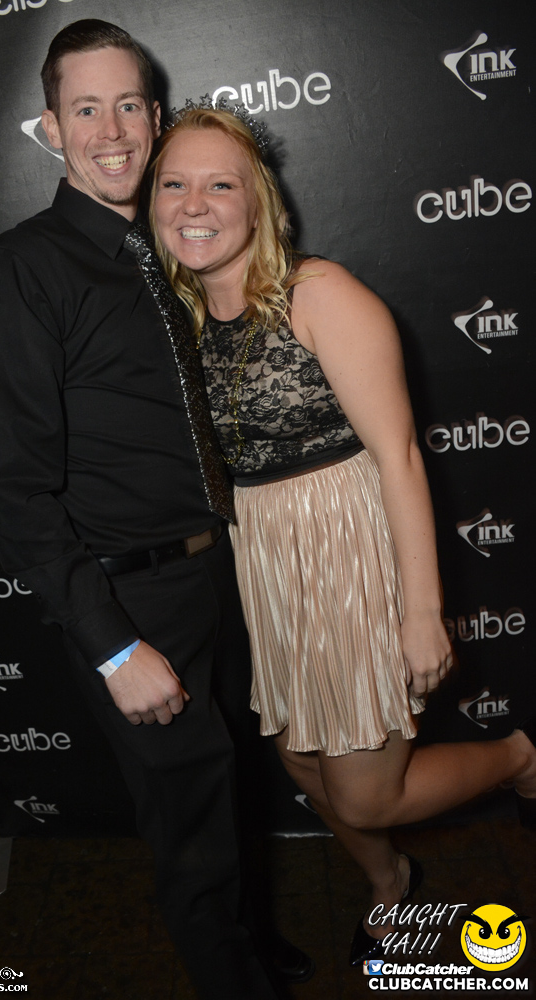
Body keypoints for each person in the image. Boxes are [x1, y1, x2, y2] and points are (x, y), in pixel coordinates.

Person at [0, 21, 312, 1000]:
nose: (111, 130)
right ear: (50, 128)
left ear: (154, 118)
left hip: (215, 575)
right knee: (190, 833)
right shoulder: (22, 269)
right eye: (86, 109)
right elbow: (15, 491)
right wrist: (114, 648)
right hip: (131, 601)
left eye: (128, 105)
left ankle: (252, 940)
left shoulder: (166, 246)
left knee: (228, 788)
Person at [150, 102, 536, 967]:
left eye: (220, 185)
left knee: (364, 795)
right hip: (268, 562)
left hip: (349, 549)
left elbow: (398, 455)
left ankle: (518, 757)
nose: (194, 204)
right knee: (301, 767)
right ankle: (391, 882)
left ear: (259, 201)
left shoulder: (317, 294)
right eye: (173, 184)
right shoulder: (176, 318)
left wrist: (421, 612)